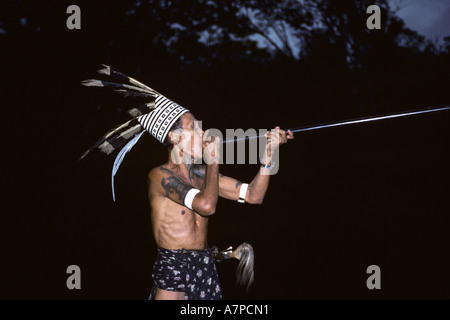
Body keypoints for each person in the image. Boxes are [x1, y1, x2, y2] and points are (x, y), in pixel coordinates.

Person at [147, 112, 294, 300]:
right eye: (194, 127)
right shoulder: (159, 176)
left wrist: (269, 154)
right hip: (174, 269)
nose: (204, 133)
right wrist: (213, 160)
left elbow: (253, 195)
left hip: (203, 266)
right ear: (175, 137)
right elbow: (206, 206)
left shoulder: (201, 174)